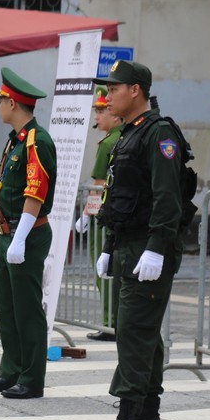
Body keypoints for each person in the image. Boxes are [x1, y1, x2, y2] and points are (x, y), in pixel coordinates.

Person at [92, 60, 185, 420]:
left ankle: (128, 416)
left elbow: (168, 199)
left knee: (132, 332)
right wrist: (110, 247)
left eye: (114, 88)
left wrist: (157, 249)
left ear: (136, 91)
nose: (108, 95)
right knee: (145, 334)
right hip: (130, 244)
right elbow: (119, 196)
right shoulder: (129, 134)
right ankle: (149, 416)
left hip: (149, 247)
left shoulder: (159, 134)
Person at [0, 68, 56, 400]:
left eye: (0, 101)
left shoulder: (38, 140)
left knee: (27, 309)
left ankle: (32, 378)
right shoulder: (16, 140)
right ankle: (10, 371)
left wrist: (20, 236)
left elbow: (35, 192)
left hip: (29, 234)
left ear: (13, 102)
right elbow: (5, 190)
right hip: (6, 231)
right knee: (7, 309)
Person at [76, 87, 123, 341]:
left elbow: (97, 186)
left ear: (115, 115)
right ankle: (116, 320)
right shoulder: (124, 137)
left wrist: (85, 214)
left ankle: (109, 323)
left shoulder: (107, 143)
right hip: (121, 213)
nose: (97, 115)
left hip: (103, 216)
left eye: (101, 110)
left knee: (102, 269)